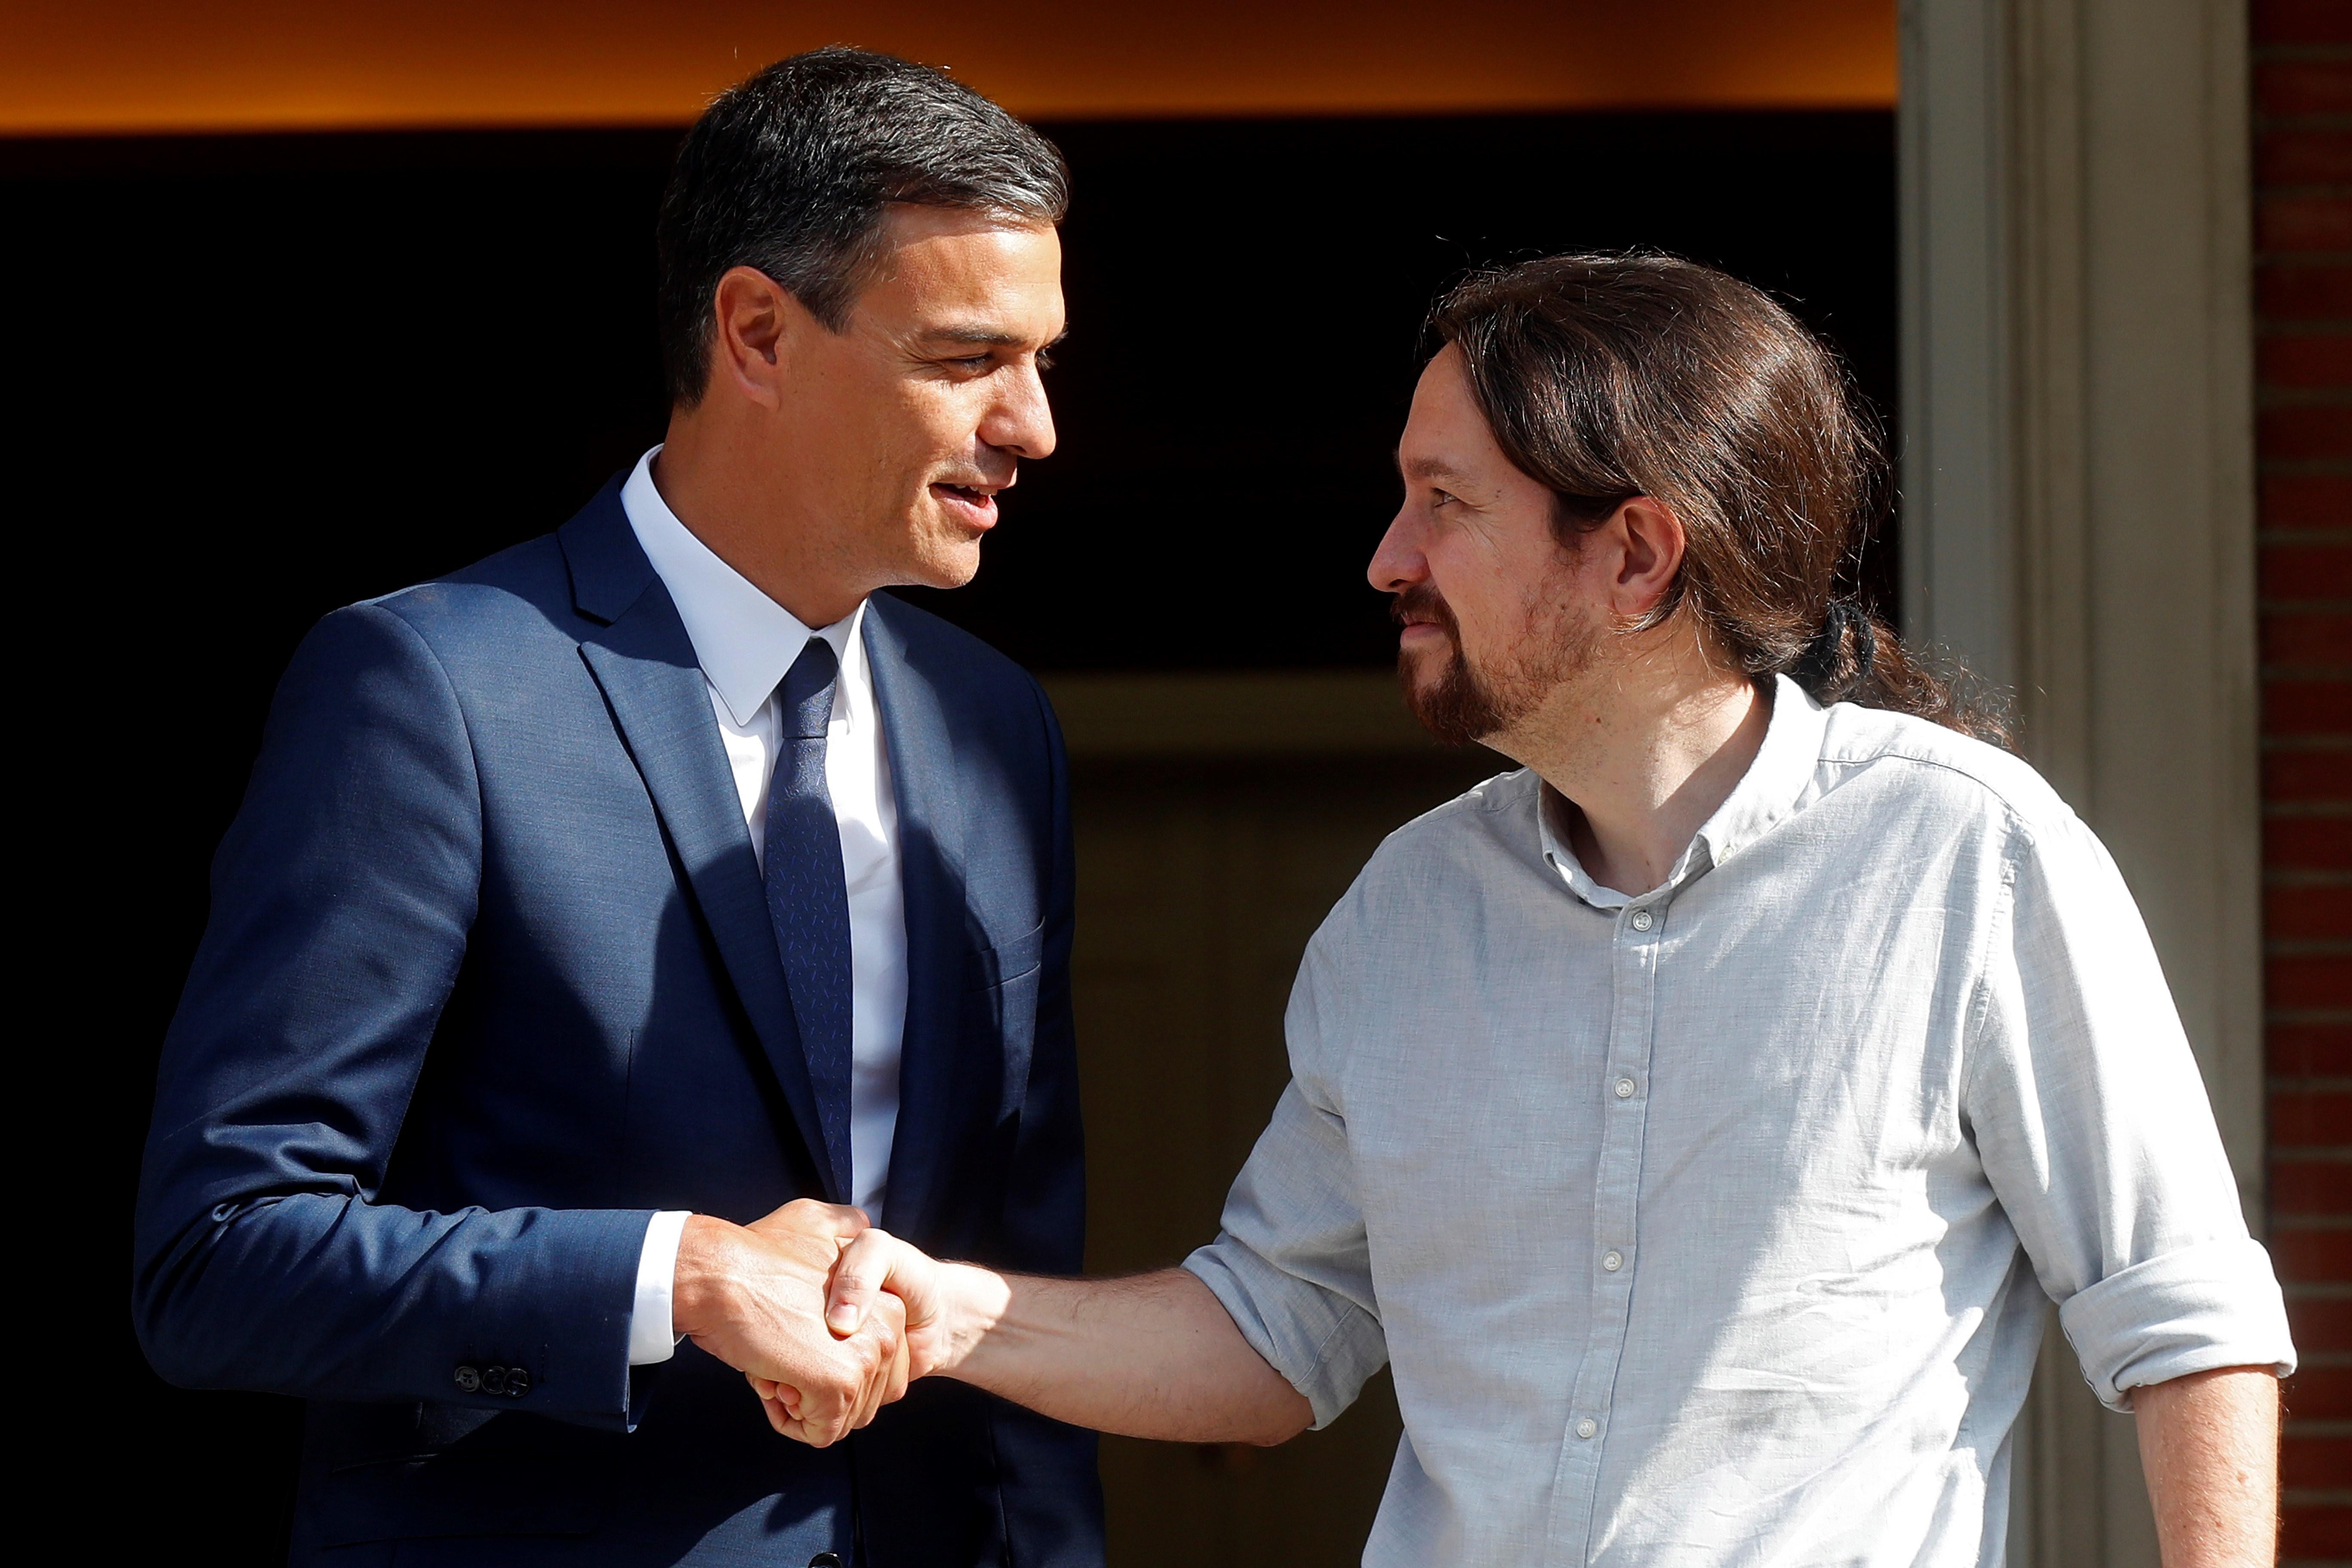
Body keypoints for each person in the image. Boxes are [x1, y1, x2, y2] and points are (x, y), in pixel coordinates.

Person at [802, 254, 2299, 1566]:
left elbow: (2183, 1318)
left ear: (1636, 555)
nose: (1387, 559)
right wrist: (952, 1315)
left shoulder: (1966, 858)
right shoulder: (1402, 918)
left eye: (1445, 505)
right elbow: (1273, 1331)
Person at [133, 49, 1102, 1567]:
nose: (1032, 424)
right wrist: (677, 1276)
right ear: (758, 331)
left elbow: (1017, 1269)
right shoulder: (433, 690)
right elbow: (222, 1256)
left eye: (1041, 360)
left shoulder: (996, 727)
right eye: (968, 356)